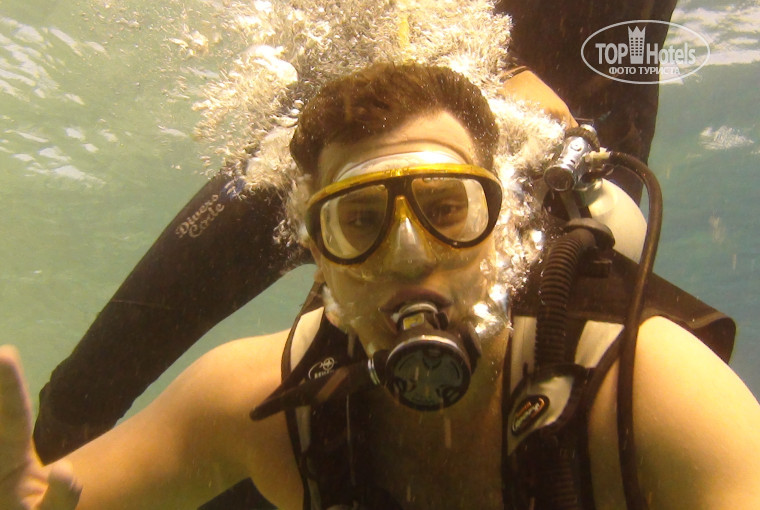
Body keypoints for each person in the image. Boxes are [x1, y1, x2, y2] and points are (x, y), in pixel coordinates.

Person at [3, 62, 759, 510]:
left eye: (446, 209)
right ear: (318, 256)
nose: (406, 253)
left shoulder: (644, 390)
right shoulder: (255, 407)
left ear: (503, 227)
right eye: (360, 220)